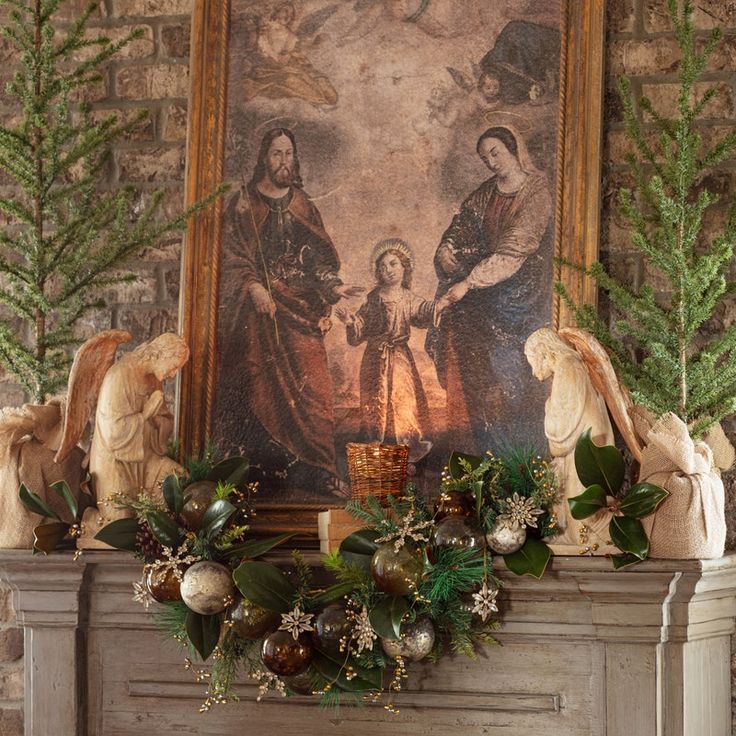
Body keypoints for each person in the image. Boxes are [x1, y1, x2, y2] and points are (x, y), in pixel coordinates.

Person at [216, 127, 362, 496]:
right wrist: (253, 286)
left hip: (300, 307)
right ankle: (266, 473)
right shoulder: (244, 204)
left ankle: (320, 468)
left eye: (289, 154)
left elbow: (316, 259)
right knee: (258, 383)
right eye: (277, 153)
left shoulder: (302, 204)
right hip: (260, 313)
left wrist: (333, 286)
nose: (284, 161)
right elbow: (231, 256)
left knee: (314, 388)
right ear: (265, 157)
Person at [426, 125, 553, 453]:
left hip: (523, 294)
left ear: (514, 148)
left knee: (510, 372)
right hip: (486, 289)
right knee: (471, 356)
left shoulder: (536, 191)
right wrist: (447, 248)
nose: (491, 161)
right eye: (485, 157)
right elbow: (461, 224)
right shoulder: (485, 192)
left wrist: (465, 285)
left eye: (495, 152)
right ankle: (473, 443)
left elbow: (512, 255)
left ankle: (519, 453)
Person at [335, 240, 440, 463]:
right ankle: (376, 442)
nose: (388, 270)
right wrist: (350, 321)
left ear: (404, 268)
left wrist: (440, 305)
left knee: (403, 398)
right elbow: (361, 328)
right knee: (375, 399)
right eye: (383, 267)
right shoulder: (373, 298)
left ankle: (406, 444)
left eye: (393, 264)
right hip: (374, 358)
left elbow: (424, 311)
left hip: (401, 358)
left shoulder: (408, 297)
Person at [524, 328, 614, 545]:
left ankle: (594, 540)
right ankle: (578, 538)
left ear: (544, 351)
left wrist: (548, 409)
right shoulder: (571, 365)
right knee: (574, 501)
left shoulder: (568, 366)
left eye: (533, 362)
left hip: (585, 445)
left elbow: (564, 425)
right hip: (585, 441)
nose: (535, 373)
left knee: (581, 504)